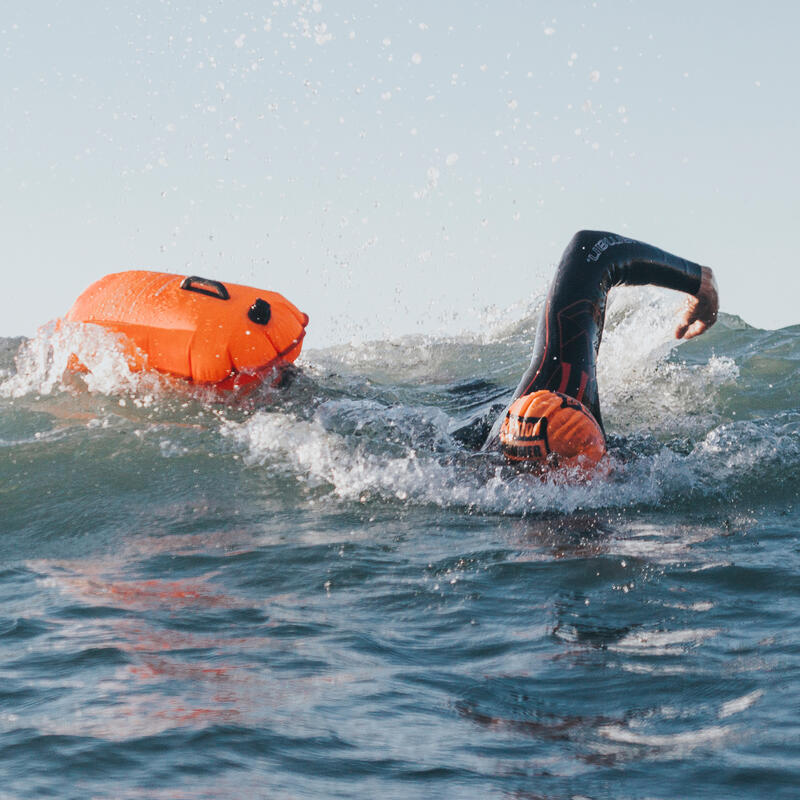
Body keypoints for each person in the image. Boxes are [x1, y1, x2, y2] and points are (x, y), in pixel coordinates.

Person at [480, 230, 719, 465]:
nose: (604, 468)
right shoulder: (477, 482)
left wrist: (698, 280)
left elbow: (591, 248)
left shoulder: (563, 385)